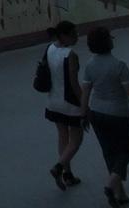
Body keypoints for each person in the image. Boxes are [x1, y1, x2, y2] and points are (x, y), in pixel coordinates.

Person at [80, 26, 129, 208]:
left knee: (109, 153)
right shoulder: (119, 64)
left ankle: (120, 193)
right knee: (127, 150)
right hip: (119, 115)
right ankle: (111, 185)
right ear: (108, 42)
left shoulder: (90, 65)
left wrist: (84, 114)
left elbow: (85, 92)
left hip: (97, 114)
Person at [44, 21, 84, 190]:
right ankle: (58, 167)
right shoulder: (71, 54)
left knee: (62, 137)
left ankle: (67, 174)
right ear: (65, 36)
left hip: (53, 101)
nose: (77, 37)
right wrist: (84, 105)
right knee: (76, 139)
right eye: (74, 34)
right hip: (70, 103)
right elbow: (75, 84)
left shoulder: (50, 49)